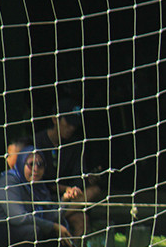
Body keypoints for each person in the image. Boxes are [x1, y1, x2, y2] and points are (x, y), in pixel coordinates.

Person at [6, 99, 101, 237]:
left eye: (75, 125)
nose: (71, 128)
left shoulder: (76, 145)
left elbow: (77, 175)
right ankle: (53, 218)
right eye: (68, 123)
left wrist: (74, 189)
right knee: (80, 217)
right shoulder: (36, 141)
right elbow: (34, 178)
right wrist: (63, 189)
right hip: (41, 197)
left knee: (91, 198)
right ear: (55, 119)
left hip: (68, 200)